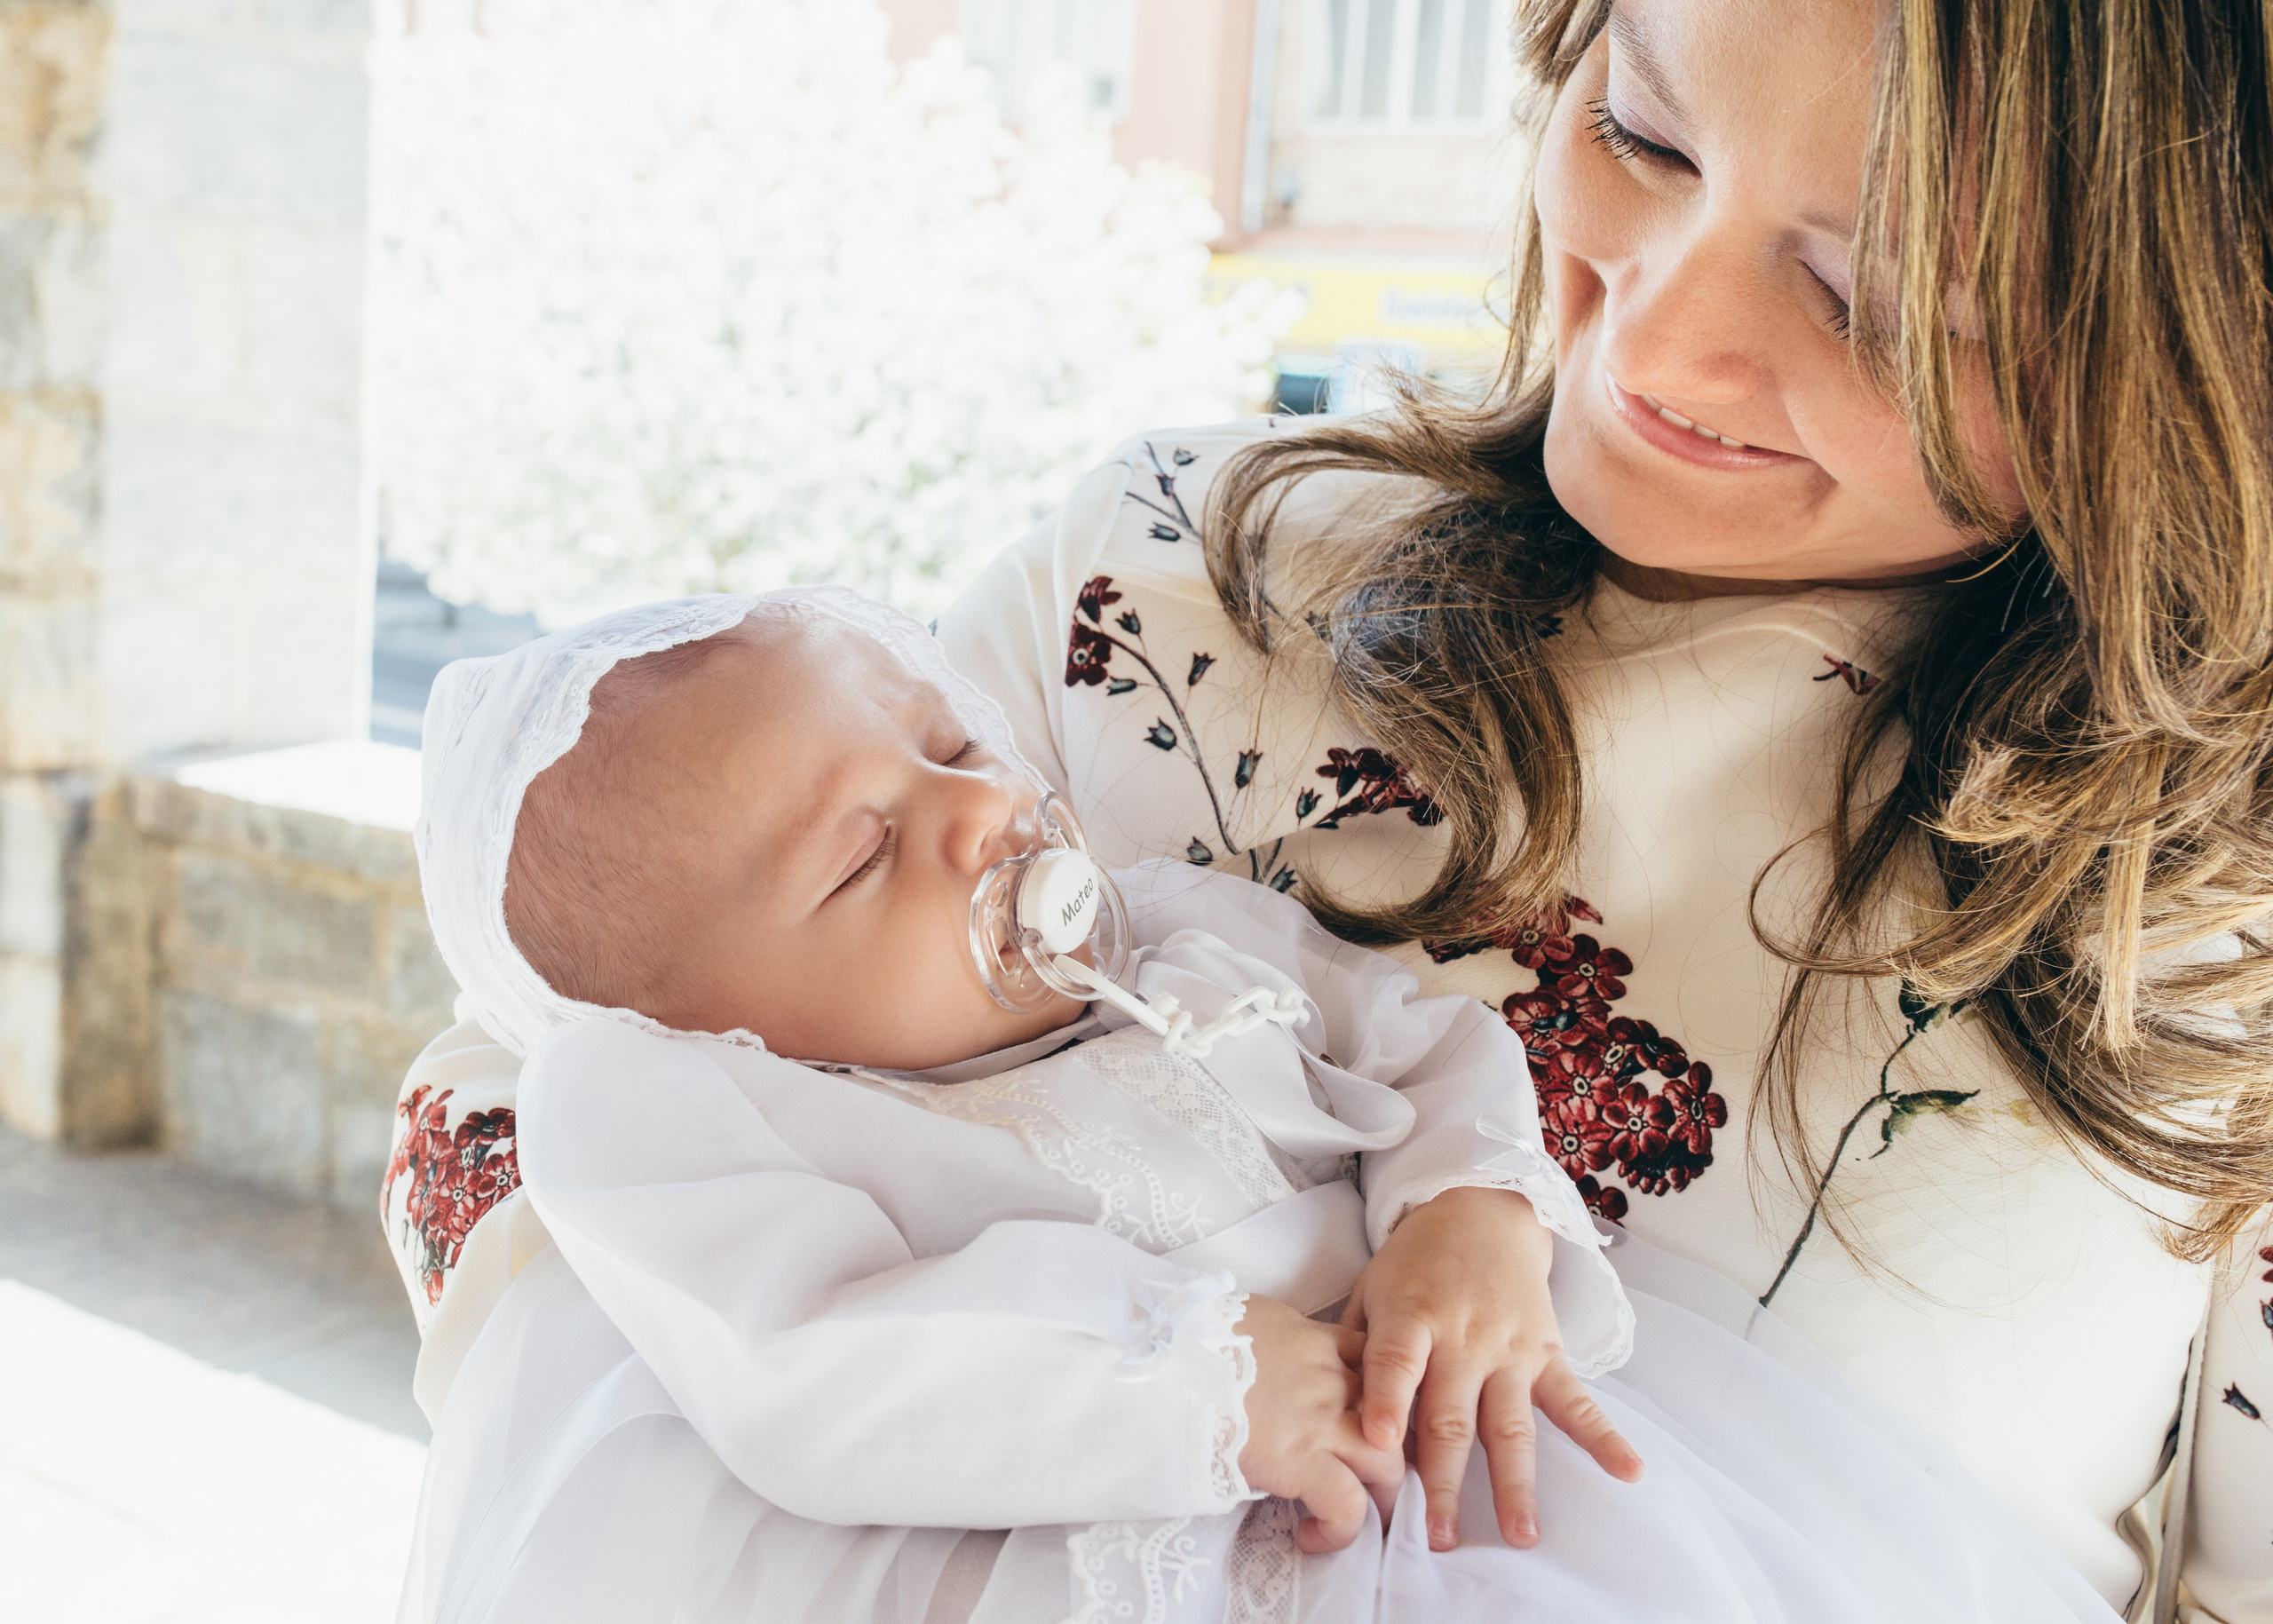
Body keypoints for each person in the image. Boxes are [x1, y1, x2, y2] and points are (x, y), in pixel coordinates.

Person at [389, 0, 2271, 1619]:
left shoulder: (2217, 917)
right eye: (1633, 132)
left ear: (2187, 326)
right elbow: (544, 1051)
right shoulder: (1163, 576)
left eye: (1871, 299)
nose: (1656, 344)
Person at [391, 586, 2115, 1624]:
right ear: (703, 1025)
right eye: (862, 852)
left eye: (944, 740)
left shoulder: (1180, 929)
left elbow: (1412, 1036)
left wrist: (1462, 1214)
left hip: (1419, 1481)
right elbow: (812, 1362)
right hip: (1111, 1532)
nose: (974, 812)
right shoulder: (701, 1120)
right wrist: (1201, 1381)